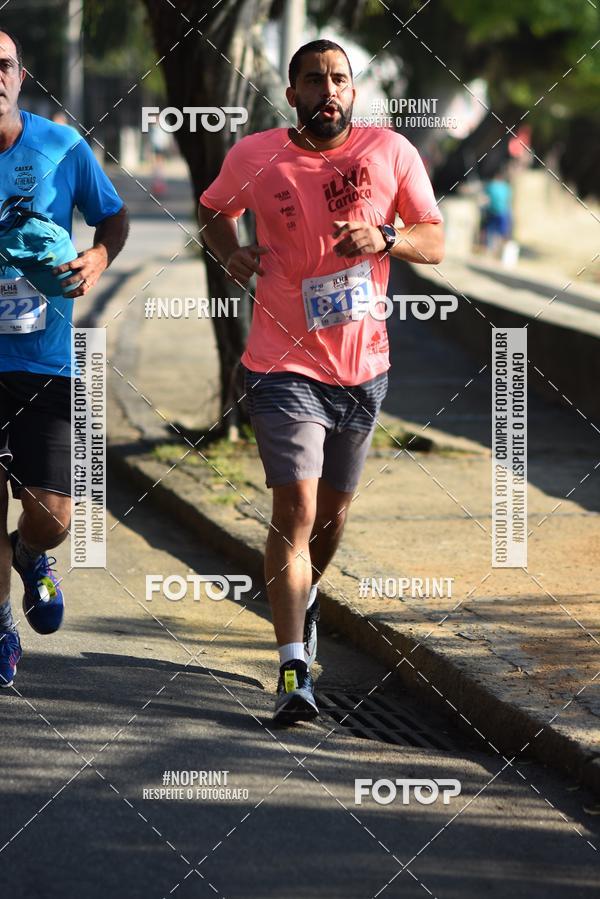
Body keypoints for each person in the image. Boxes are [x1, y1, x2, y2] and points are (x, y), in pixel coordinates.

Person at [199, 39, 443, 724]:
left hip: (364, 370)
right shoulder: (256, 156)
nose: (328, 90)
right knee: (297, 511)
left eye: (339, 79)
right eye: (315, 80)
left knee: (332, 521)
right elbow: (213, 210)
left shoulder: (391, 152)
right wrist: (233, 252)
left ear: (353, 90)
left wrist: (386, 239)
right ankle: (291, 667)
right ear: (292, 90)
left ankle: (300, 607)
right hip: (282, 364)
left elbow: (434, 237)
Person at [0, 29, 129, 686]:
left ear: (20, 76)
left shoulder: (60, 145)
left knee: (51, 514)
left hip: (44, 360)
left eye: (2, 65)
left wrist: (99, 258)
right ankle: (1, 623)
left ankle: (30, 555)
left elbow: (113, 217)